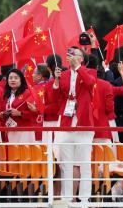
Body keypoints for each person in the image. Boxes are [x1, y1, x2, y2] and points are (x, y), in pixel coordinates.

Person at [48, 46, 96, 203]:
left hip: (83, 122)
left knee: (84, 163)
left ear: (82, 59)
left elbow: (90, 84)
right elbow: (54, 99)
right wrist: (56, 80)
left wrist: (78, 68)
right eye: (70, 54)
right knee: (66, 164)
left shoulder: (89, 72)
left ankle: (84, 199)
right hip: (67, 121)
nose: (72, 56)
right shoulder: (64, 74)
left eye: (76, 55)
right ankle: (67, 198)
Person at [0, 68, 38, 143]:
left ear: (21, 80)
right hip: (9, 130)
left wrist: (20, 113)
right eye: (10, 78)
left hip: (24, 131)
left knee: (24, 150)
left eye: (16, 78)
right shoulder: (6, 95)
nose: (13, 80)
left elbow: (35, 113)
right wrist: (2, 114)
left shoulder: (27, 93)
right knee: (11, 150)